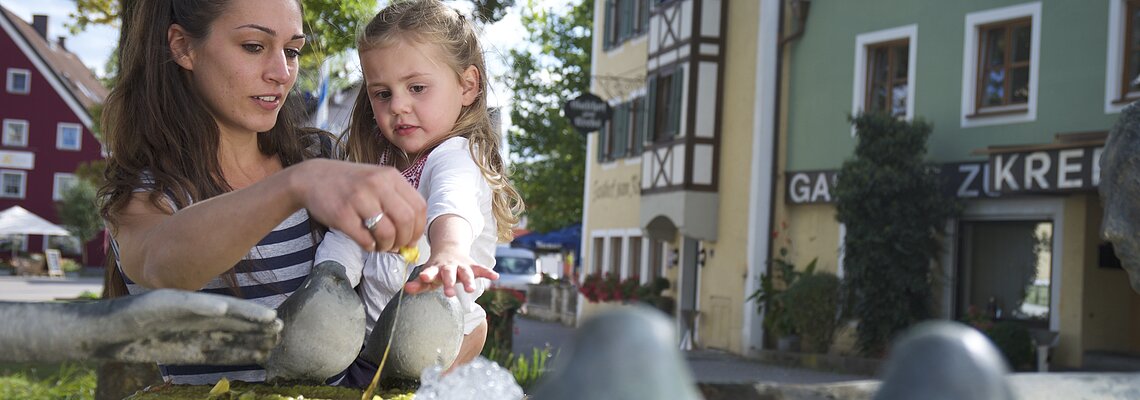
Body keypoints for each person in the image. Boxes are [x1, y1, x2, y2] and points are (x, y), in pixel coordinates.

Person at [98, 0, 427, 385]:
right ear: (183, 47)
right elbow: (160, 264)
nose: (282, 73)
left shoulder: (321, 155)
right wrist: (295, 186)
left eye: (292, 51)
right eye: (254, 46)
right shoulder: (146, 192)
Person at [315, 0, 524, 383]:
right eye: (382, 93)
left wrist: (448, 251)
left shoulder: (455, 154)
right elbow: (350, 234)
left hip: (433, 337)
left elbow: (452, 203)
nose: (398, 106)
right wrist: (331, 278)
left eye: (417, 87)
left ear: (467, 86)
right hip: (371, 344)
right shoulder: (382, 162)